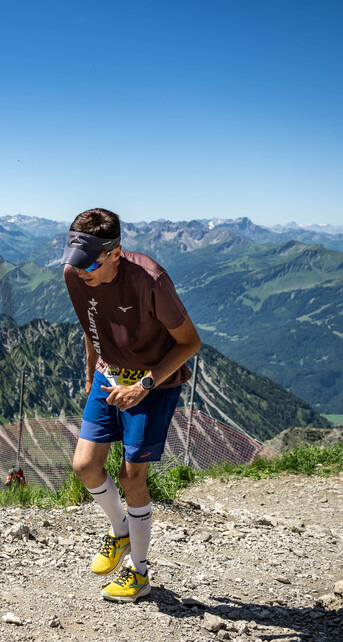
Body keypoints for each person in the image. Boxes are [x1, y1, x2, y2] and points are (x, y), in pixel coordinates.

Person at [61, 207, 200, 602]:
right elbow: (92, 328)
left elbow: (190, 343)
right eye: (76, 262)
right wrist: (91, 375)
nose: (81, 271)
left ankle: (139, 573)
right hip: (108, 374)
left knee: (131, 477)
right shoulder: (75, 273)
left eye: (90, 264)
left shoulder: (151, 280)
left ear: (116, 253)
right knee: (85, 466)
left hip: (154, 383)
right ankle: (119, 530)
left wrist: (144, 383)